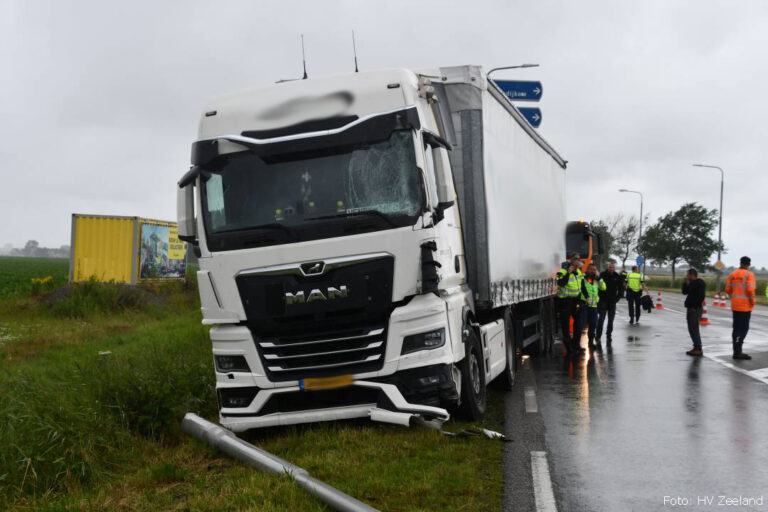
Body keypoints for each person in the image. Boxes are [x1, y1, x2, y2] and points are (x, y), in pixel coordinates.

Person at [724, 256, 756, 360]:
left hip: (735, 305)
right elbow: (750, 290)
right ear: (749, 264)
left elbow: (727, 289)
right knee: (743, 329)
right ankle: (738, 352)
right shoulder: (749, 274)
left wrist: (733, 297)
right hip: (745, 307)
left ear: (740, 263)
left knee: (736, 328)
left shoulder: (732, 274)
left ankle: (736, 351)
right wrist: (752, 302)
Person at [556, 253, 584, 358]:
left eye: (579, 259)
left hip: (575, 300)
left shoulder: (579, 272)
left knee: (579, 324)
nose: (578, 261)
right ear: (571, 260)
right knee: (565, 326)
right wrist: (568, 273)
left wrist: (584, 298)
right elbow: (561, 283)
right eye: (576, 259)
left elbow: (581, 286)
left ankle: (576, 344)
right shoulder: (562, 271)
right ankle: (569, 348)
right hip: (565, 301)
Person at [580, 264, 606, 352]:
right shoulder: (583, 277)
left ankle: (590, 342)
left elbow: (603, 288)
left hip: (594, 306)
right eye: (591, 269)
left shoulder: (597, 279)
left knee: (593, 325)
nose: (593, 271)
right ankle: (578, 344)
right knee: (581, 325)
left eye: (594, 270)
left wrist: (599, 278)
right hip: (584, 305)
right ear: (587, 269)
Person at [596, 261, 623, 345]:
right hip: (602, 300)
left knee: (611, 320)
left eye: (613, 267)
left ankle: (609, 335)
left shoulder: (617, 276)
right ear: (607, 267)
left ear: (614, 268)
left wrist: (617, 299)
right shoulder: (602, 274)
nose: (611, 269)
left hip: (612, 301)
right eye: (610, 267)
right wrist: (598, 298)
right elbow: (597, 285)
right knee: (601, 319)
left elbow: (621, 289)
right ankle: (598, 336)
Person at [682, 268, 706, 356]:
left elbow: (701, 296)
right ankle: (695, 346)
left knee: (694, 329)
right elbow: (684, 292)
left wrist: (695, 307)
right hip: (690, 308)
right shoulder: (691, 283)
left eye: (688, 274)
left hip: (695, 309)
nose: (686, 276)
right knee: (691, 329)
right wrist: (685, 283)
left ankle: (698, 348)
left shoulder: (700, 283)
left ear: (692, 275)